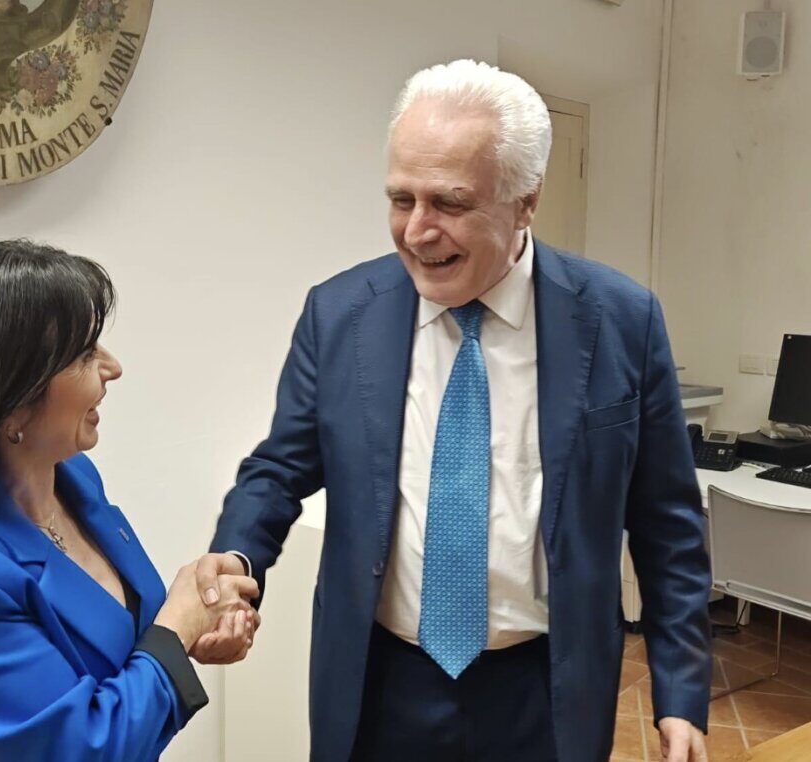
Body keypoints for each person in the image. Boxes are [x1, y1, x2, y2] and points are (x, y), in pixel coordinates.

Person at [206, 60, 712, 761]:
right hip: (379, 687)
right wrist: (236, 564)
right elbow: (278, 469)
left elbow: (668, 527)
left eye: (449, 203)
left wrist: (680, 695)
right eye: (401, 199)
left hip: (546, 693)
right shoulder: (340, 314)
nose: (418, 231)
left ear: (526, 201)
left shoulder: (621, 321)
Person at [0, 240, 258, 762]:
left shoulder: (72, 479)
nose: (112, 367)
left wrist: (201, 617)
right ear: (9, 401)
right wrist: (178, 628)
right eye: (84, 354)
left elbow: (126, 638)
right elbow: (82, 748)